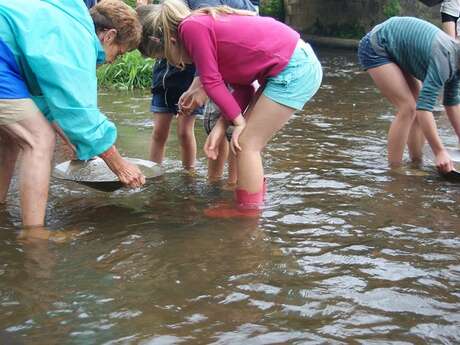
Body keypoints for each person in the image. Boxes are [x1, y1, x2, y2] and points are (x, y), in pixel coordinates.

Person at [138, 0, 323, 217]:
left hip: (294, 68)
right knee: (243, 140)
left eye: (163, 58)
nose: (172, 64)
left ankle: (248, 212)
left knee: (246, 144)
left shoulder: (191, 27)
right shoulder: (208, 36)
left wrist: (240, 122)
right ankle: (252, 199)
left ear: (170, 42)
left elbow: (212, 81)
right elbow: (243, 90)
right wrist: (221, 126)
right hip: (290, 64)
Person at [0, 0, 146, 228]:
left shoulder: (68, 21)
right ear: (108, 36)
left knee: (11, 137)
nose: (111, 61)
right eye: (118, 53)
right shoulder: (77, 42)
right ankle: (34, 237)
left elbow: (46, 101)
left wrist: (76, 141)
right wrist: (120, 166)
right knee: (38, 140)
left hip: (7, 56)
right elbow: (82, 114)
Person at [136, 0, 255, 174]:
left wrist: (199, 85)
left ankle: (199, 175)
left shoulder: (193, 26)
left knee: (223, 133)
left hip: (199, 75)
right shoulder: (176, 20)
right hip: (172, 80)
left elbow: (213, 79)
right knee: (224, 128)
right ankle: (155, 174)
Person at [358, 16, 460, 174]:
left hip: (397, 47)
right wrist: (439, 151)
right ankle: (394, 171)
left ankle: (416, 164)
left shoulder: (456, 64)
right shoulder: (445, 59)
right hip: (376, 46)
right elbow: (424, 109)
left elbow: (452, 105)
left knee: (417, 103)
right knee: (409, 107)